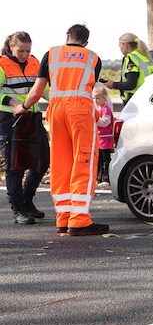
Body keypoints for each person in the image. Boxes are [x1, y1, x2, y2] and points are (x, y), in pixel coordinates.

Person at [16, 24, 108, 236]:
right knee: (84, 160)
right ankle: (79, 219)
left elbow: (37, 90)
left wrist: (24, 107)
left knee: (61, 162)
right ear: (85, 42)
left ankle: (63, 217)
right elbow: (90, 89)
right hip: (80, 111)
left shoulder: (51, 54)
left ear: (68, 36)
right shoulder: (92, 58)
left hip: (56, 109)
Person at [0, 32, 49, 225]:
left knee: (43, 160)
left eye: (28, 50)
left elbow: (43, 89)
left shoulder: (35, 62)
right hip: (10, 118)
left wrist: (62, 100)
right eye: (20, 50)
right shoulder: (2, 64)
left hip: (33, 117)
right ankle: (18, 208)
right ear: (11, 47)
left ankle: (27, 200)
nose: (24, 55)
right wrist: (13, 102)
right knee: (15, 165)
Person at [105, 33, 153, 101]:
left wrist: (113, 85)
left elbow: (131, 84)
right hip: (146, 96)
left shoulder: (131, 59)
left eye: (120, 45)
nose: (120, 48)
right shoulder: (144, 58)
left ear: (125, 45)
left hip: (135, 99)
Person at [93, 84, 114, 189]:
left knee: (106, 159)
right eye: (94, 98)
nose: (96, 100)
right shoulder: (97, 109)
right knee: (99, 159)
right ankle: (98, 177)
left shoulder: (106, 109)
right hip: (99, 137)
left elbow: (105, 122)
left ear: (104, 98)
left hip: (106, 137)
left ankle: (107, 178)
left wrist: (96, 119)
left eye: (98, 98)